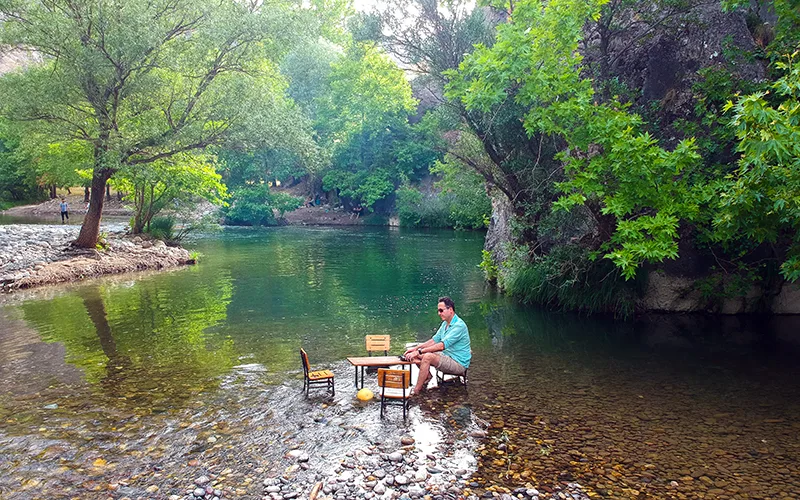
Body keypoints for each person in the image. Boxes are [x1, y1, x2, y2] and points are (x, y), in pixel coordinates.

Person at [403, 296, 471, 395]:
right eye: (438, 311)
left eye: (441, 310)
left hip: (458, 363)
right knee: (415, 354)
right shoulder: (445, 324)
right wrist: (416, 349)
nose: (439, 313)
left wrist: (419, 351)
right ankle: (427, 376)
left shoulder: (459, 326)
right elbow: (434, 340)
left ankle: (416, 391)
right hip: (447, 356)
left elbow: (441, 346)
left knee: (427, 356)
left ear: (450, 310)